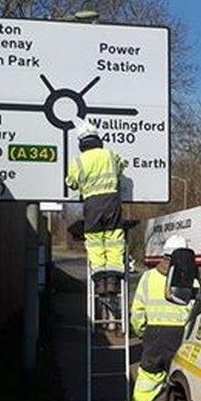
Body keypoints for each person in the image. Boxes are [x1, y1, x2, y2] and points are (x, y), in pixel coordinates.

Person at [124, 235, 195, 401]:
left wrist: (143, 334)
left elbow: (137, 313)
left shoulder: (147, 278)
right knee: (182, 388)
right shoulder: (192, 280)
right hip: (181, 340)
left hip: (155, 338)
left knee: (145, 385)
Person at [66, 121, 127, 295]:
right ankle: (113, 280)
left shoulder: (79, 161)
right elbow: (122, 166)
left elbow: (71, 182)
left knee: (94, 240)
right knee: (114, 237)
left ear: (81, 142)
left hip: (92, 204)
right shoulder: (110, 155)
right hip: (112, 201)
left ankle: (100, 281)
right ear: (97, 138)